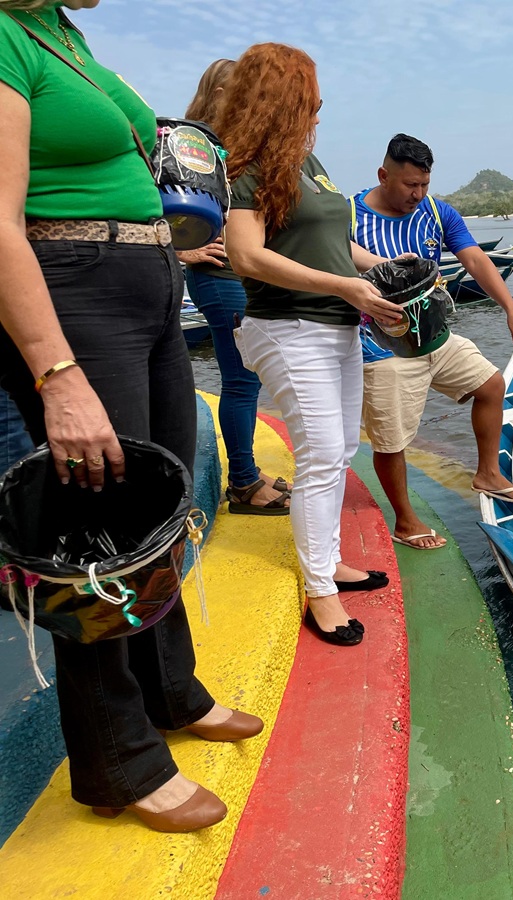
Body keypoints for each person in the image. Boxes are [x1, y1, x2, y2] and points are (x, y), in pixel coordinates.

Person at [0, 0, 261, 833]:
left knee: (161, 512)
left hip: (145, 286)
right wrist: (58, 375)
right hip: (75, 293)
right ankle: (120, 762)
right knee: (100, 531)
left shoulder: (61, 32)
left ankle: (171, 692)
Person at [220, 43, 408, 645]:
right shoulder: (241, 167)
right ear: (279, 102)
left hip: (336, 326)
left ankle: (328, 562)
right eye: (312, 104)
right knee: (322, 454)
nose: (319, 117)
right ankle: (319, 589)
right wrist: (344, 286)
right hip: (286, 326)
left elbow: (332, 241)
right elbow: (247, 255)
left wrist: (379, 266)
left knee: (339, 450)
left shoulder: (308, 161)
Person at [351, 134, 513, 549]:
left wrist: (510, 307)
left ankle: (487, 473)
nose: (417, 194)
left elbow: (474, 258)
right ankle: (405, 521)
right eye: (408, 186)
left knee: (492, 385)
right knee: (392, 439)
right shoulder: (349, 214)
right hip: (379, 344)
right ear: (383, 175)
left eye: (424, 185)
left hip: (436, 335)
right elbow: (330, 253)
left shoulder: (437, 213)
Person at [175, 58, 290, 515]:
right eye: (248, 92)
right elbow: (152, 204)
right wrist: (181, 250)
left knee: (245, 380)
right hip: (221, 277)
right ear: (223, 93)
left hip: (230, 277)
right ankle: (243, 484)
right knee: (242, 383)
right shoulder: (194, 144)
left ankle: (247, 470)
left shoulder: (221, 145)